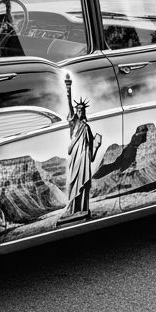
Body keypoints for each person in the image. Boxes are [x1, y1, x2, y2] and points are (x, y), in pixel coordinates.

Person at [64, 74, 102, 218]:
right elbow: (69, 106)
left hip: (85, 159)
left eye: (81, 110)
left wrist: (97, 145)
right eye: (77, 110)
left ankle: (82, 209)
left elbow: (92, 156)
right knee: (74, 184)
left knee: (84, 184)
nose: (79, 112)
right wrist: (68, 89)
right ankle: (73, 210)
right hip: (75, 159)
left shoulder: (87, 128)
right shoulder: (74, 124)